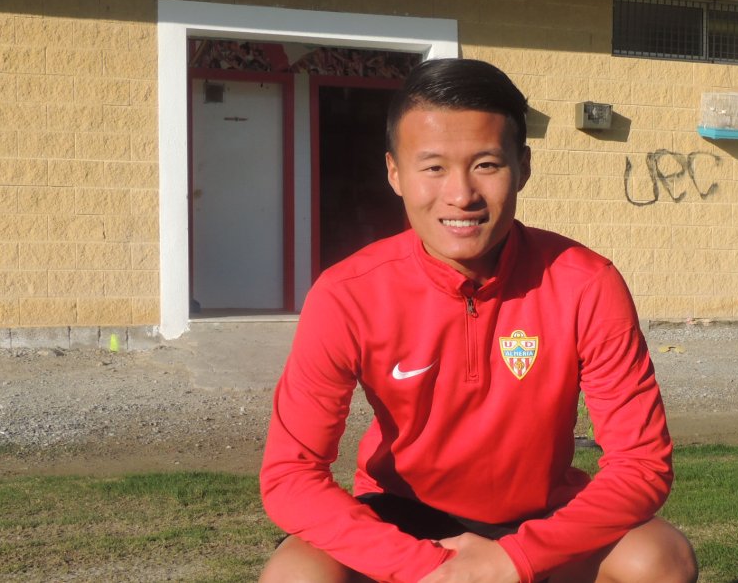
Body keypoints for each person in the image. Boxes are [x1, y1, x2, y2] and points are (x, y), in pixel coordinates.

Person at [259, 58, 698, 583]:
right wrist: (428, 568)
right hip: (402, 517)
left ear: (523, 166)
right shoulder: (346, 294)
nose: (461, 195)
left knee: (658, 560)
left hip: (540, 519)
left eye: (486, 164)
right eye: (433, 167)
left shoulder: (587, 282)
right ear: (395, 173)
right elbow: (291, 474)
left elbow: (641, 463)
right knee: (296, 574)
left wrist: (513, 560)